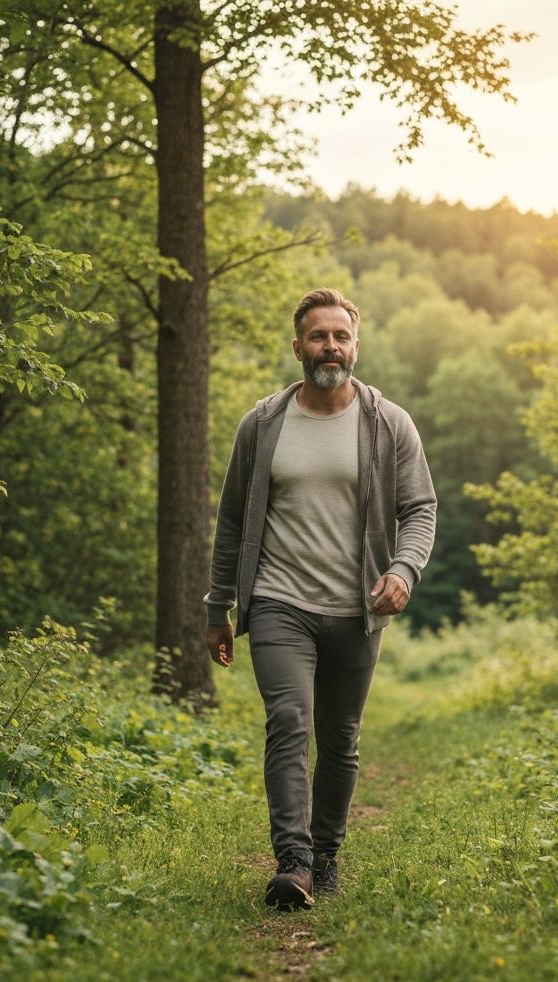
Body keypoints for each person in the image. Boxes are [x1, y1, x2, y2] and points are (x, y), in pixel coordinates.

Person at [204, 287, 436, 910]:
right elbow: (232, 521)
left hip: (358, 610)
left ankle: (327, 852)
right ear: (298, 346)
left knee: (340, 737)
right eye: (317, 336)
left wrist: (404, 570)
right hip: (280, 601)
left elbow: (420, 509)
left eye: (340, 336)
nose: (329, 346)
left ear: (355, 346)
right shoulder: (263, 425)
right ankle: (294, 860)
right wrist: (216, 607)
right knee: (289, 722)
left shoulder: (389, 424)